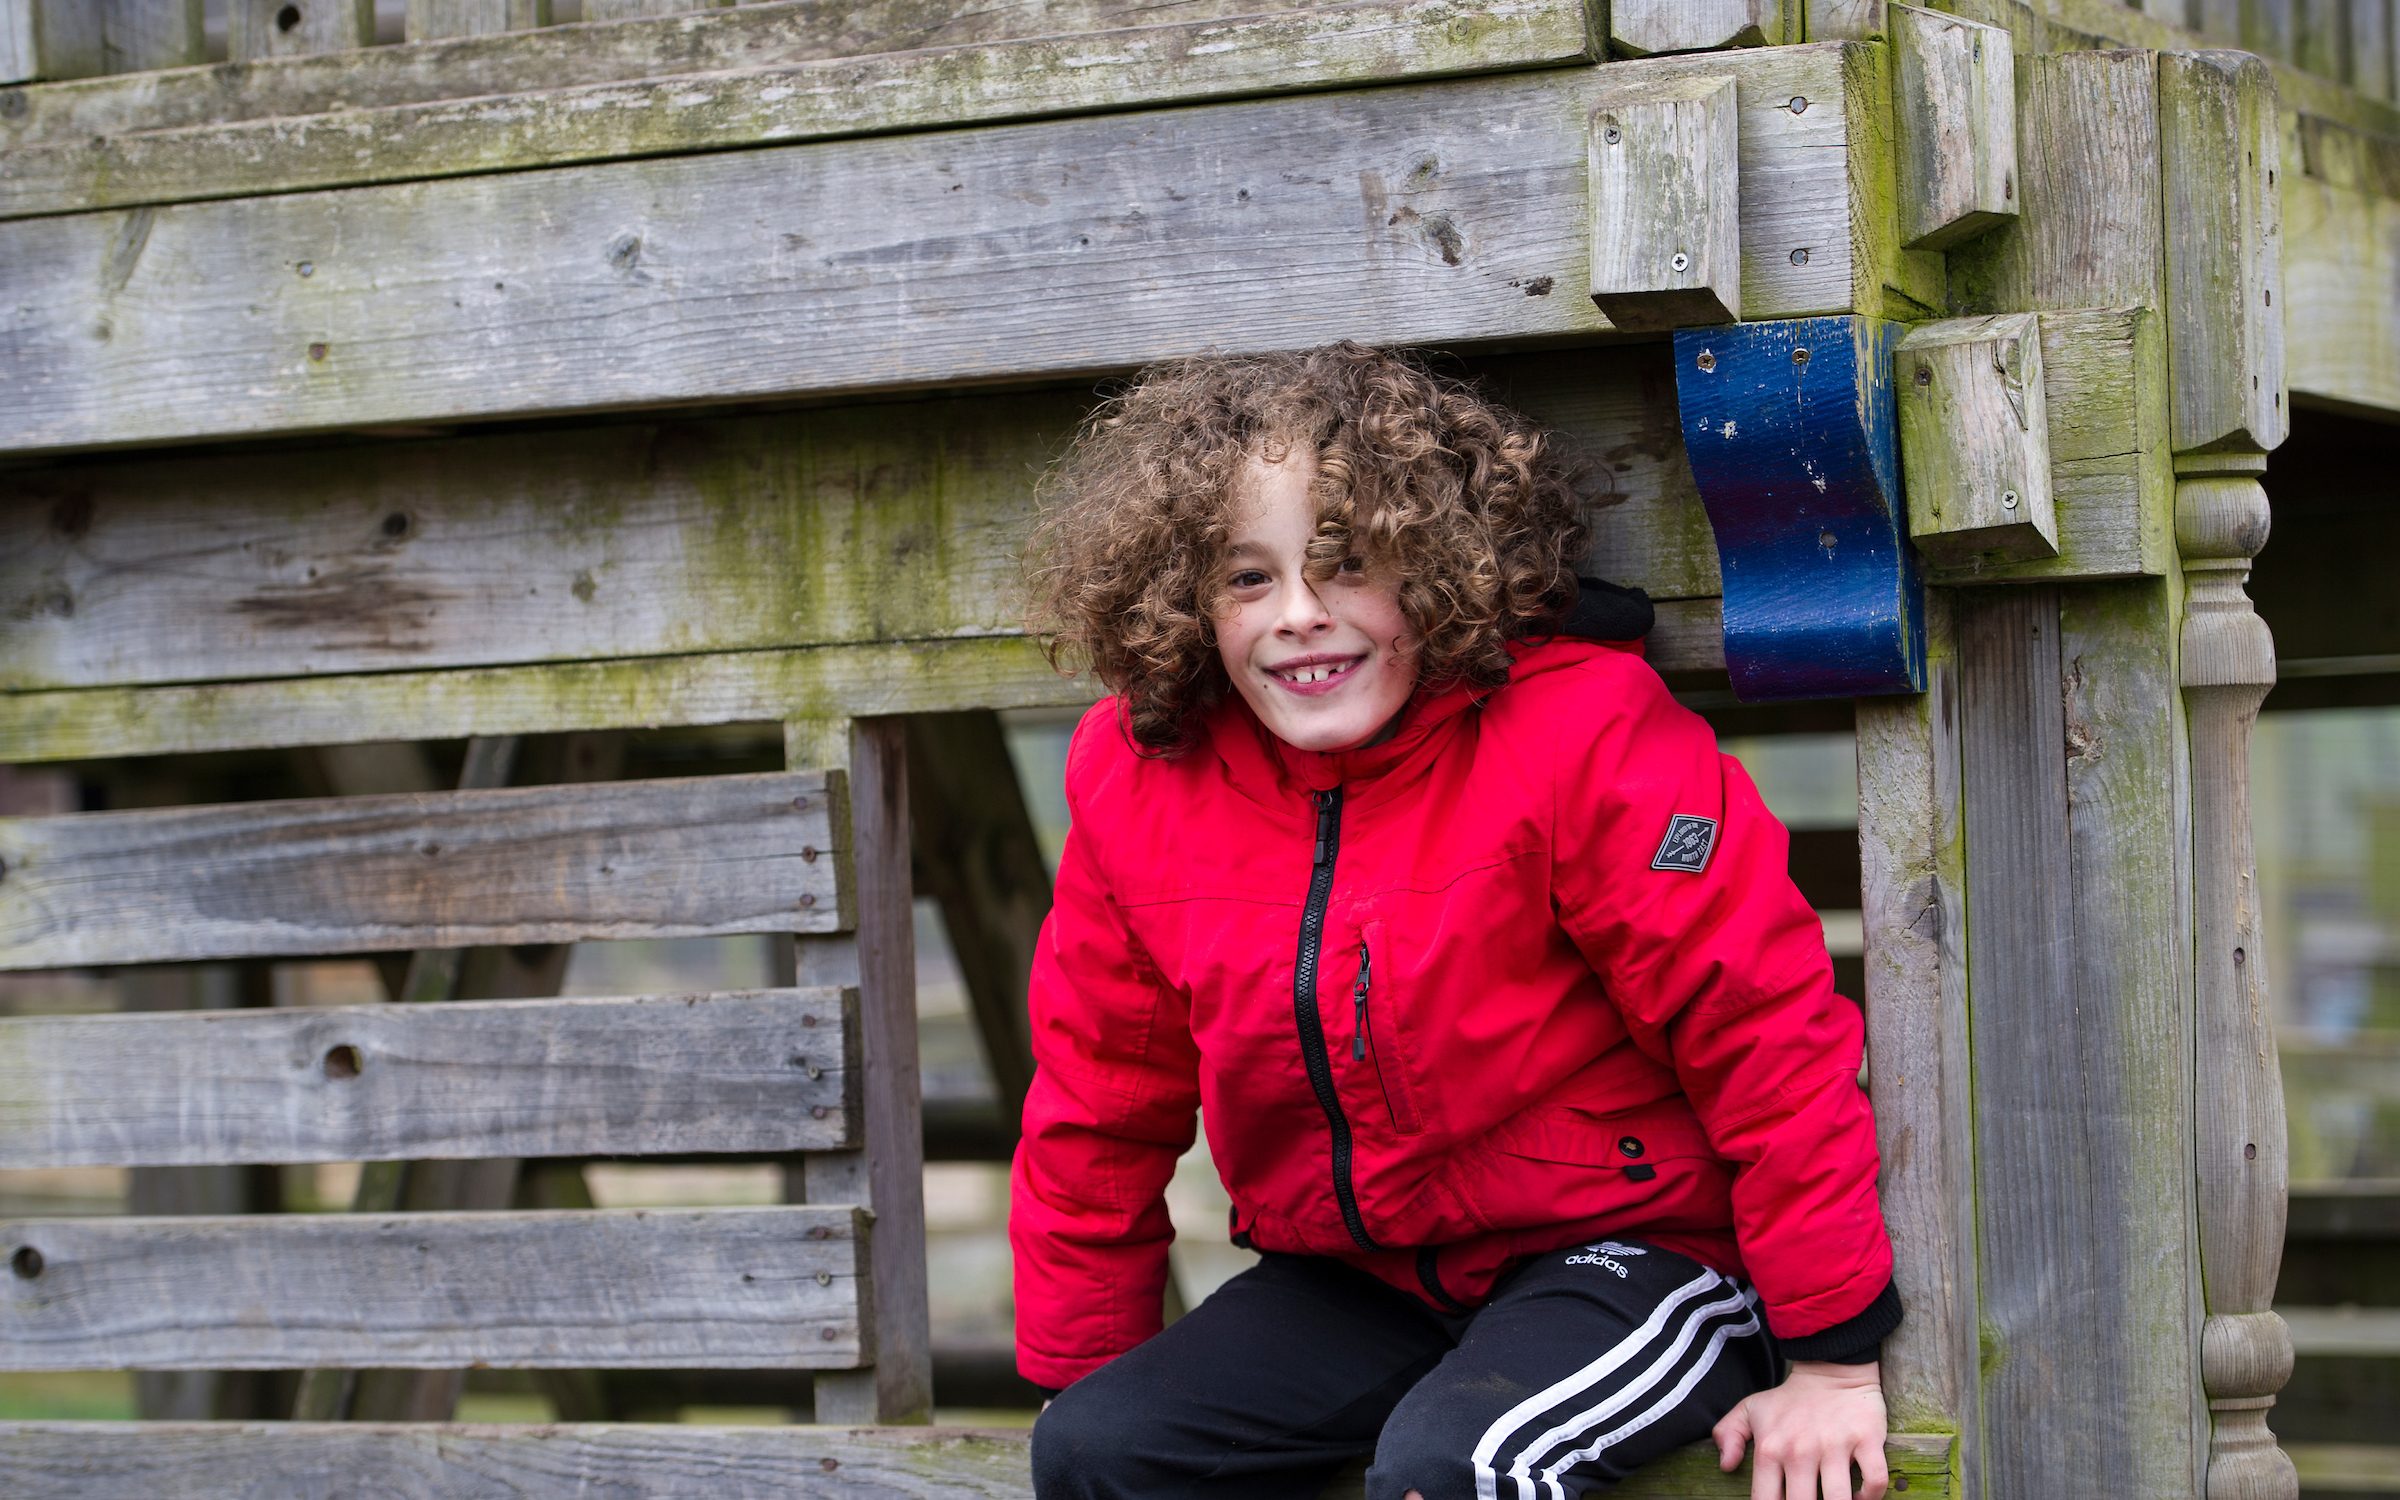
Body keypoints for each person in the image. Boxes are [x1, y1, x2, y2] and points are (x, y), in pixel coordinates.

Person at [1010, 342, 1898, 1500]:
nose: (1300, 617)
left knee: (1465, 1466)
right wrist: (1085, 1375)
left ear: (1435, 565)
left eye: (1347, 565)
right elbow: (1096, 1103)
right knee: (1096, 1451)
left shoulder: (1580, 733)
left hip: (1632, 1249)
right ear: (1183, 598)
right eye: (1247, 579)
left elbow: (1761, 1031)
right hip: (1360, 1272)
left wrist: (1832, 1357)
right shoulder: (1140, 776)